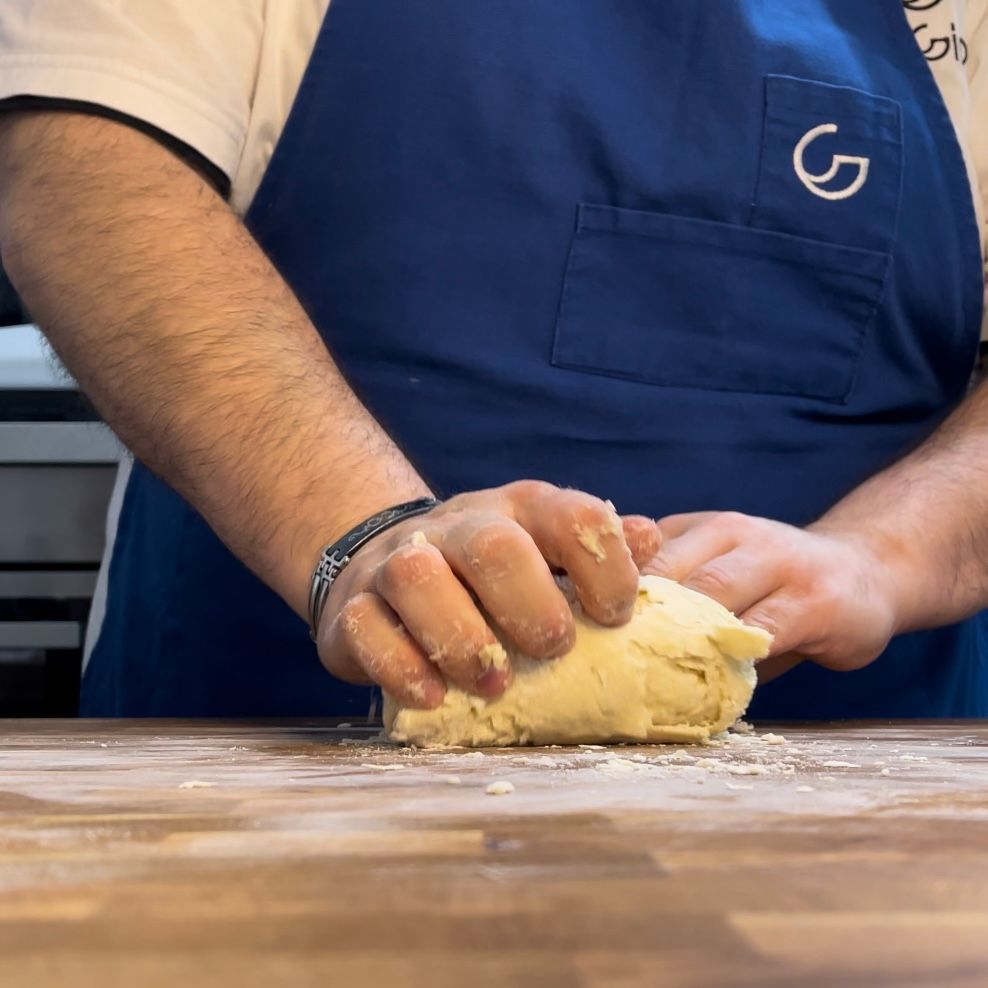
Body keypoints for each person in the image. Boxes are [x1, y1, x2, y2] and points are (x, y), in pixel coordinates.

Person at [0, 1, 986, 721]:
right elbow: (84, 166)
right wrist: (363, 530)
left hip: (859, 836)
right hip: (252, 786)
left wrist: (880, 557)